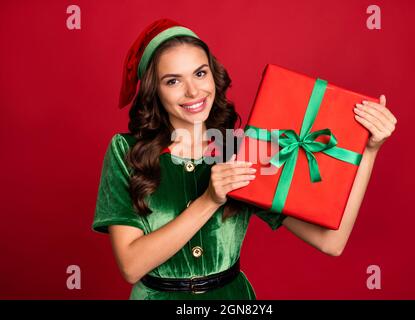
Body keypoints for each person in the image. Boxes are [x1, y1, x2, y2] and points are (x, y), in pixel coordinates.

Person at [91, 18, 397, 300]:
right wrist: (210, 200)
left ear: (214, 74)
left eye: (200, 73)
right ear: (153, 91)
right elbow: (131, 266)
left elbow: (332, 243)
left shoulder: (241, 149)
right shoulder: (126, 151)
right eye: (173, 81)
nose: (193, 91)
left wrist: (368, 152)